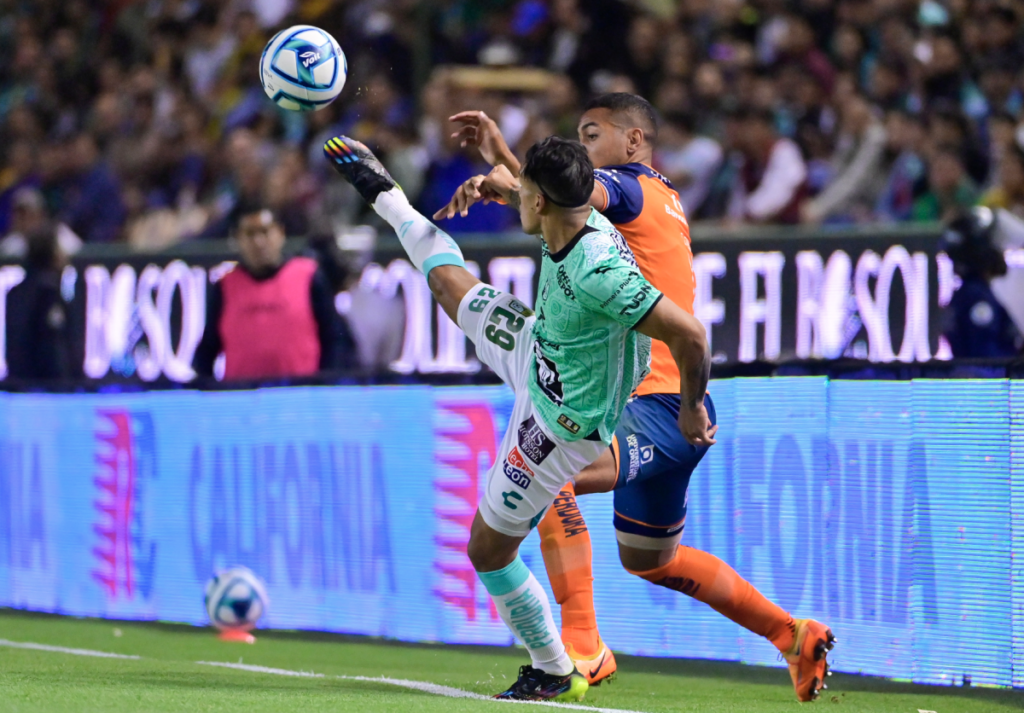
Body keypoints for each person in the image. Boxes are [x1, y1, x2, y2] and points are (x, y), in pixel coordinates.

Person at [435, 94, 834, 702]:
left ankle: (582, 650)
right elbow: (554, 198)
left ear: (633, 142)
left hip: (657, 406)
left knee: (545, 473)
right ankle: (791, 633)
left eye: (591, 134)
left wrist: (505, 175)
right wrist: (501, 161)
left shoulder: (624, 187)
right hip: (674, 406)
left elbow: (566, 192)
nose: (581, 149)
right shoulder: (657, 198)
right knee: (651, 560)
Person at [325, 132, 716, 701]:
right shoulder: (561, 214)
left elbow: (691, 333)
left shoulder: (599, 271)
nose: (518, 197)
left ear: (541, 205)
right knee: (446, 280)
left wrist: (690, 405)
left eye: (522, 192)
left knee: (487, 549)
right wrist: (494, 183)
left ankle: (554, 667)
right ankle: (383, 191)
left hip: (560, 427)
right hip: (538, 347)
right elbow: (521, 191)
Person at [193, 206, 338, 380]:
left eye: (265, 232)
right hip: (242, 398)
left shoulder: (308, 276)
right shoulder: (225, 286)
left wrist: (325, 386)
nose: (258, 242)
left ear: (280, 234)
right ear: (238, 239)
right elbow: (207, 350)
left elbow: (335, 339)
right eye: (250, 234)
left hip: (300, 398)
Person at [940, 208, 1022, 358]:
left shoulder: (965, 295)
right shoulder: (977, 298)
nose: (1001, 252)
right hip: (992, 380)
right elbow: (985, 360)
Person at [4, 223, 72, 380]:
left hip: (17, 383)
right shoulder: (49, 294)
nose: (65, 256)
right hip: (43, 389)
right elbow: (52, 350)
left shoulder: (15, 292)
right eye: (60, 249)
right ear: (52, 254)